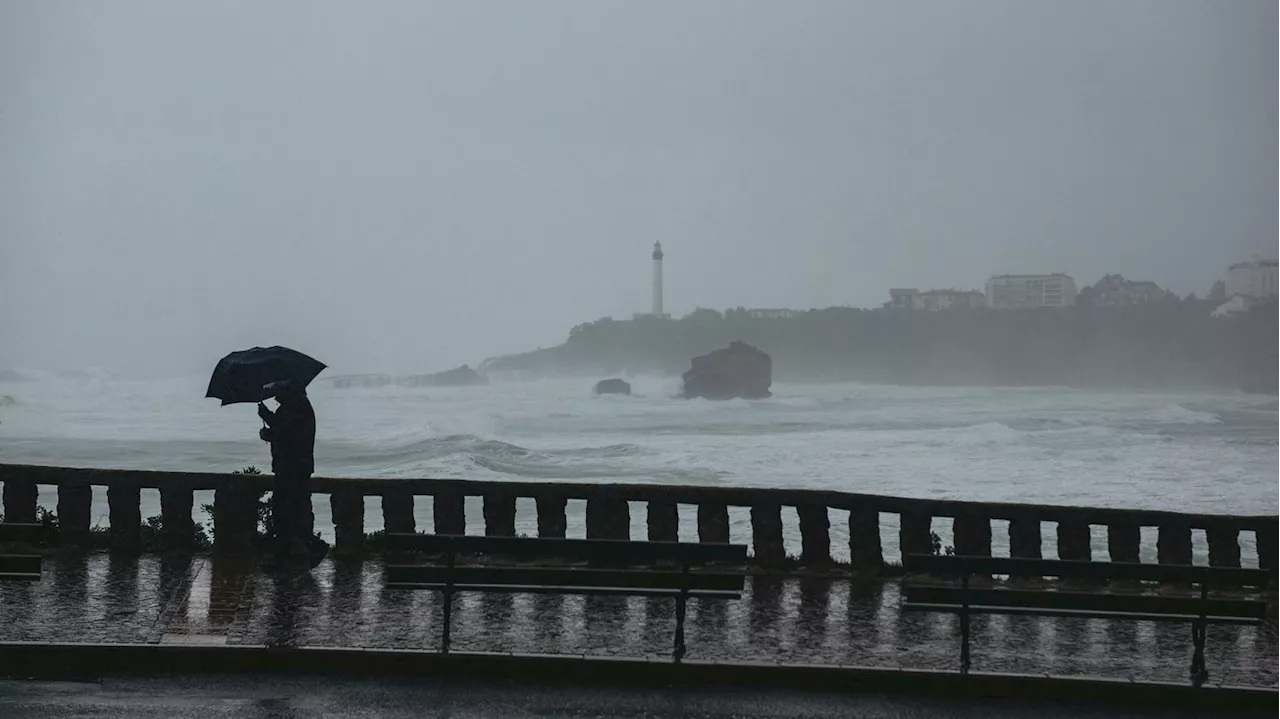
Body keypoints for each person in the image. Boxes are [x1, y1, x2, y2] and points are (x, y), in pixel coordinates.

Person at [258, 385, 327, 568]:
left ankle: (301, 550)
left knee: (289, 510)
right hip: (291, 466)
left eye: (278, 390)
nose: (274, 395)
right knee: (290, 510)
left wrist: (267, 418)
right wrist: (270, 432)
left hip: (293, 467)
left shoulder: (297, 407)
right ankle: (289, 552)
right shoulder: (294, 407)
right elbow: (285, 433)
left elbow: (288, 435)